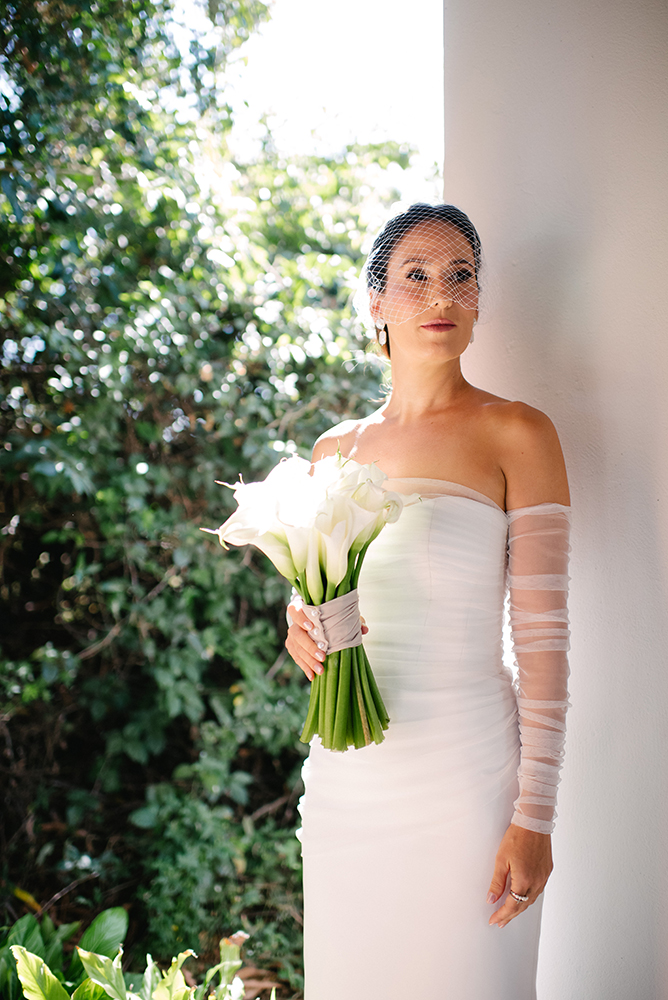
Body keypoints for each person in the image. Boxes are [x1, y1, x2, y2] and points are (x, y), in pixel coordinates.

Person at [285, 203, 571, 999]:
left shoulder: (519, 433)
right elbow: (320, 596)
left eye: (460, 276)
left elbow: (545, 647)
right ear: (375, 301)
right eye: (415, 277)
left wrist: (535, 815)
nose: (440, 295)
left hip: (468, 782)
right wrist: (299, 625)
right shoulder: (333, 450)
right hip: (348, 784)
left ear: (479, 301)